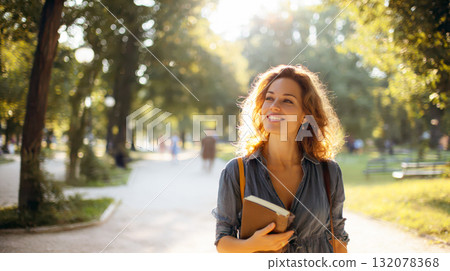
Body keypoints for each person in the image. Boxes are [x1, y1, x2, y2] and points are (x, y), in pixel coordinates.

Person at [213, 65, 349, 253]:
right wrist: (252, 245)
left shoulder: (329, 172)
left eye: (287, 101)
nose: (274, 106)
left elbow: (338, 238)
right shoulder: (237, 171)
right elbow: (222, 241)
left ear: (304, 116)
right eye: (269, 98)